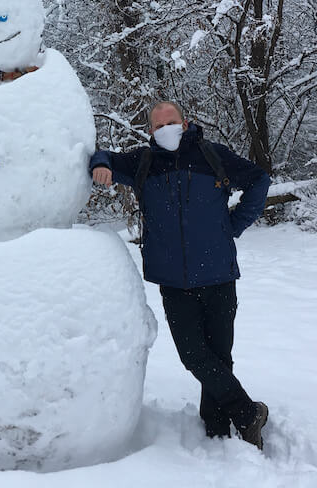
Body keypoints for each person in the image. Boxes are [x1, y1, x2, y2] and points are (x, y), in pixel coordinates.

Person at [89, 101, 272, 449]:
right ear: (150, 132)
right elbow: (104, 157)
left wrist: (233, 225)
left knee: (220, 354)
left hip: (219, 274)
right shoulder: (144, 162)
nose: (166, 129)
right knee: (193, 355)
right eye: (159, 126)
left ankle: (217, 425)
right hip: (174, 282)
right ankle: (248, 414)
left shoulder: (212, 155)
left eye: (171, 122)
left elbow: (259, 180)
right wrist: (100, 163)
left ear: (185, 123)